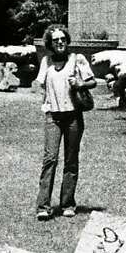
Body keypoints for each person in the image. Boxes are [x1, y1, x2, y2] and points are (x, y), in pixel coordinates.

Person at [35, 25, 96, 220]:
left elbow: (93, 81)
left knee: (71, 159)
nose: (60, 42)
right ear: (50, 44)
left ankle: (68, 203)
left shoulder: (77, 59)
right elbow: (42, 85)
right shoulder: (46, 61)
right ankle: (43, 206)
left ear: (67, 40)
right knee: (50, 158)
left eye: (63, 39)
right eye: (55, 40)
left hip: (73, 116)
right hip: (53, 116)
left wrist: (80, 84)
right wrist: (46, 102)